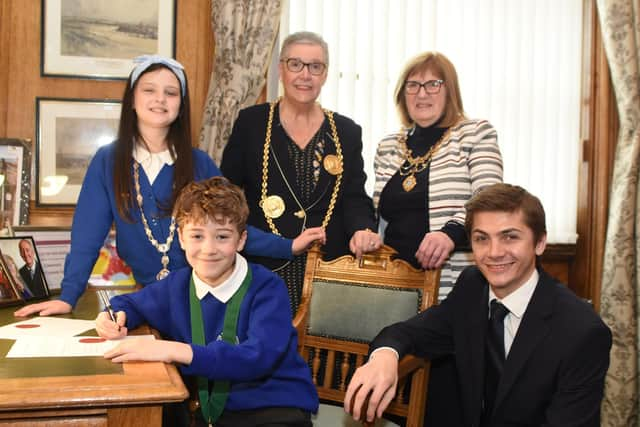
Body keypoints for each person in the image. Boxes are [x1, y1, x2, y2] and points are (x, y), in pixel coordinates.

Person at [15, 55, 323, 318]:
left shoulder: (199, 163)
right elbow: (86, 237)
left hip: (207, 298)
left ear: (181, 105)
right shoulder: (108, 161)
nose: (160, 99)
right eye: (149, 90)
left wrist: (288, 245)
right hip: (147, 301)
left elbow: (233, 226)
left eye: (171, 93)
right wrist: (68, 297)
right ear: (132, 100)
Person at [344, 183, 612, 427]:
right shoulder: (473, 286)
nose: (494, 252)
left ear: (540, 242)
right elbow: (408, 333)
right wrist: (385, 357)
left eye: (510, 237)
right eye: (482, 238)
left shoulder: (582, 332)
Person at [96, 176, 318, 427]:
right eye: (197, 236)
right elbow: (131, 304)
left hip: (274, 407)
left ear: (241, 240)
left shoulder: (268, 287)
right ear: (181, 238)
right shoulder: (177, 285)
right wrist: (112, 314)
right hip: (208, 411)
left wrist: (173, 350)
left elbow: (257, 358)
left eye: (222, 237)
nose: (209, 249)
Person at [372, 51, 503, 425]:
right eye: (413, 85)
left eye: (433, 84)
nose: (422, 93)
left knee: (443, 401)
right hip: (397, 288)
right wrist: (367, 233)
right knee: (397, 393)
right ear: (402, 94)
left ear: (449, 91)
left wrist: (451, 232)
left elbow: (490, 201)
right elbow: (382, 211)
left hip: (452, 286)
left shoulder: (474, 133)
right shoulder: (388, 145)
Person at [222, 31, 381, 314]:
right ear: (281, 69)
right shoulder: (252, 123)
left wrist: (362, 229)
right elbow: (228, 195)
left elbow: (355, 196)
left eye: (315, 66)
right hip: (265, 262)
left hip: (328, 266)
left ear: (325, 74)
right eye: (296, 64)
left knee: (321, 356)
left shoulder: (346, 131)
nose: (305, 75)